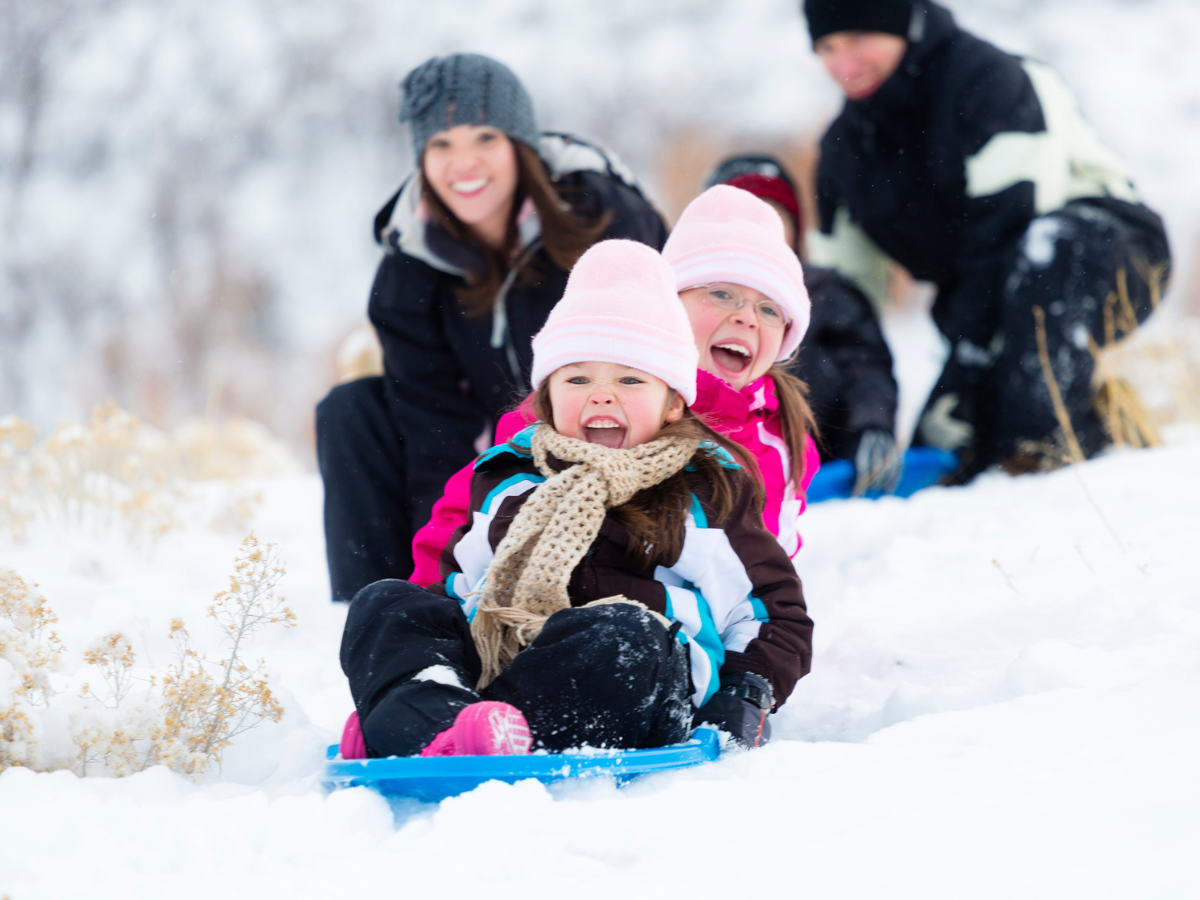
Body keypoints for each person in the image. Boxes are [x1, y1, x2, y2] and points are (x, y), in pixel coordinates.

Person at [339, 240, 813, 758]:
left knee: (624, 633)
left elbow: (773, 614)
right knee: (387, 602)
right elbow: (458, 586)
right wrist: (419, 647)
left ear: (674, 402)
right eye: (578, 377)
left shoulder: (705, 490)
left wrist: (747, 693)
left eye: (630, 379)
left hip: (638, 685)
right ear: (547, 396)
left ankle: (443, 729)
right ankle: (435, 719)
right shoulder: (508, 478)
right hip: (500, 665)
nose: (602, 395)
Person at [315, 53, 668, 602]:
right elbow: (430, 421)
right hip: (492, 445)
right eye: (441, 144)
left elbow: (660, 355)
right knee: (351, 410)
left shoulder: (603, 217)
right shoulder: (410, 266)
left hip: (607, 430)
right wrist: (443, 558)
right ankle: (382, 605)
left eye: (484, 137)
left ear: (520, 144)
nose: (464, 164)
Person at [801, 0, 1172, 480]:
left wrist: (966, 364)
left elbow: (1010, 229)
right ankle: (1091, 426)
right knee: (947, 450)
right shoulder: (843, 154)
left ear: (901, 25)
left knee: (1045, 265)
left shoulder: (986, 80)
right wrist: (848, 420)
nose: (843, 64)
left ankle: (1059, 462)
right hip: (985, 299)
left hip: (1105, 253)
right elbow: (844, 303)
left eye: (858, 39)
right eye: (826, 46)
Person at [408, 184, 821, 586]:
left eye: (769, 308)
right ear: (670, 305)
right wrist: (431, 599)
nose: (747, 317)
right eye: (721, 293)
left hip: (677, 626)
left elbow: (770, 566)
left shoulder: (784, 439)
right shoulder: (583, 398)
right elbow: (469, 510)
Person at [707, 154, 900, 493]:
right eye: (748, 221)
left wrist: (871, 425)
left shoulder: (827, 292)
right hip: (718, 464)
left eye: (775, 219)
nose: (763, 235)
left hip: (821, 463)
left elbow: (865, 367)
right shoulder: (692, 298)